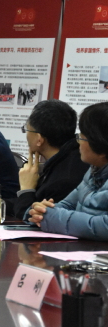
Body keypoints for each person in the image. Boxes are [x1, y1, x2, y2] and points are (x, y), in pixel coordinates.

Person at [0, 100, 88, 218]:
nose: (26, 135)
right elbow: (20, 204)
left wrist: (27, 189)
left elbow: (29, 215)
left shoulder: (64, 179)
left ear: (39, 139)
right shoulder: (63, 159)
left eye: (26, 130)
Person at [28, 102, 108, 240]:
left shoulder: (70, 173)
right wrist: (39, 211)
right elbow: (68, 204)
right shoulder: (94, 170)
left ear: (100, 144)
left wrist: (52, 217)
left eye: (82, 137)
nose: (78, 142)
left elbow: (104, 225)